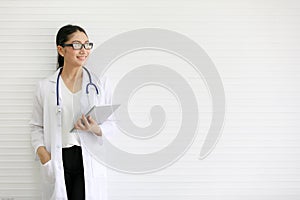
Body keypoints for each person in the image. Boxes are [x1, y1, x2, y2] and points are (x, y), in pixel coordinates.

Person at [30, 24, 115, 200]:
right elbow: (36, 127)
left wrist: (96, 129)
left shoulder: (100, 84)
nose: (84, 50)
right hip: (58, 158)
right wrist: (43, 154)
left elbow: (113, 124)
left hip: (88, 159)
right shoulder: (45, 87)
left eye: (87, 45)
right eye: (77, 45)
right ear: (61, 50)